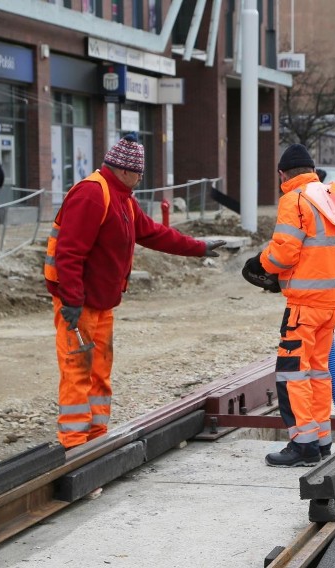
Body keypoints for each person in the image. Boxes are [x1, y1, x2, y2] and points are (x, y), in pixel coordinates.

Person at [44, 132, 226, 459]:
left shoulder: (123, 197)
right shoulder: (92, 194)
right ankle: (73, 448)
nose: (141, 179)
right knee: (78, 373)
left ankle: (96, 440)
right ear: (125, 170)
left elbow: (154, 234)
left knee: (99, 374)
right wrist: (70, 300)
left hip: (101, 304)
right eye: (139, 173)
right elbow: (69, 254)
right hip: (80, 305)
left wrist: (198, 248)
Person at [244, 143, 335, 467]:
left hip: (305, 305)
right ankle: (321, 443)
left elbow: (284, 252)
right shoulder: (332, 196)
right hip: (331, 301)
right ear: (311, 169)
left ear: (283, 174)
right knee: (318, 373)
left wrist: (260, 265)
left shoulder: (294, 199)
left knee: (293, 374)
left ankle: (302, 446)